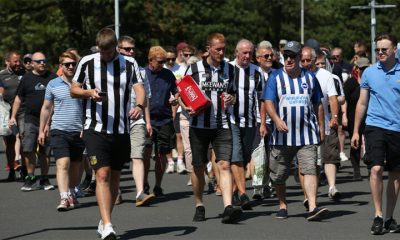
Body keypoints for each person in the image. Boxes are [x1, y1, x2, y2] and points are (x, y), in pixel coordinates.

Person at [70, 28, 145, 240]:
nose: (106, 55)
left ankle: (104, 220)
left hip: (121, 129)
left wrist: (139, 105)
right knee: (101, 174)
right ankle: (109, 226)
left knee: (114, 177)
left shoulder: (130, 64)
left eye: (109, 52)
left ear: (116, 48)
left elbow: (139, 88)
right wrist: (89, 92)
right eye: (102, 52)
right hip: (95, 128)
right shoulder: (87, 62)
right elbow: (73, 89)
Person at [262, 41, 329, 221]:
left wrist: (322, 128)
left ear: (300, 58)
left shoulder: (309, 77)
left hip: (307, 134)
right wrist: (276, 120)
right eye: (286, 57)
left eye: (293, 56)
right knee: (278, 175)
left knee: (309, 170)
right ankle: (283, 204)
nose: (289, 60)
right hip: (282, 137)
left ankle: (312, 206)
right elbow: (268, 102)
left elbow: (318, 104)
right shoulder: (275, 77)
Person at [182, 32, 242, 224]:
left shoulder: (231, 70)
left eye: (224, 49)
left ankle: (227, 207)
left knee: (224, 164)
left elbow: (233, 95)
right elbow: (181, 94)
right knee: (198, 166)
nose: (221, 52)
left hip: (222, 124)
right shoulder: (193, 69)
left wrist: (232, 99)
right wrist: (187, 108)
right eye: (218, 49)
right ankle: (199, 204)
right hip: (198, 125)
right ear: (208, 49)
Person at [351, 33, 400, 235]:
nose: (380, 52)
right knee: (376, 169)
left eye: (384, 49)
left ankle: (389, 217)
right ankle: (378, 215)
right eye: (377, 49)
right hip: (375, 125)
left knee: (396, 175)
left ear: (394, 50)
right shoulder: (370, 72)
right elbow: (362, 103)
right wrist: (355, 131)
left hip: (397, 128)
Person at [38, 51, 85, 211]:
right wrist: (41, 130)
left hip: (80, 131)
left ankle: (72, 191)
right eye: (67, 64)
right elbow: (46, 108)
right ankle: (64, 197)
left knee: (76, 166)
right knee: (62, 164)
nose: (71, 67)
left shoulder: (84, 83)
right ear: (61, 66)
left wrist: (87, 127)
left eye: (73, 64)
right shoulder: (53, 84)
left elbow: (91, 108)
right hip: (59, 129)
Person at [10, 52, 57, 192]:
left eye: (44, 60)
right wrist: (13, 116)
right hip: (30, 119)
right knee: (28, 148)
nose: (42, 63)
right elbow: (18, 98)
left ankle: (44, 178)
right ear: (33, 63)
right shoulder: (26, 78)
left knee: (44, 150)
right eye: (39, 61)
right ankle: (30, 177)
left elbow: (55, 101)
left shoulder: (53, 78)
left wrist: (48, 122)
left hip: (48, 119)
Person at [117, 35, 155, 206]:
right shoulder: (110, 69)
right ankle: (115, 190)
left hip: (137, 120)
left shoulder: (141, 71)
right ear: (118, 49)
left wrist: (147, 121)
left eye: (133, 48)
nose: (131, 51)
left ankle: (140, 192)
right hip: (116, 120)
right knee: (115, 159)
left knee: (137, 155)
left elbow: (145, 98)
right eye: (127, 49)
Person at [301, 47, 340, 200]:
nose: (305, 64)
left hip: (324, 123)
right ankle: (310, 195)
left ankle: (332, 186)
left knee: (329, 156)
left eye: (308, 61)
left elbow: (332, 98)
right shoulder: (297, 75)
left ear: (314, 61)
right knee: (311, 162)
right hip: (304, 126)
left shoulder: (325, 76)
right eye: (302, 61)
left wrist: (334, 117)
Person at [229, 39, 262, 210]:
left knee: (245, 157)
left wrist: (262, 122)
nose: (247, 56)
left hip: (250, 121)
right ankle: (243, 194)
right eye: (244, 53)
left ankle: (234, 190)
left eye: (250, 53)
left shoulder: (257, 72)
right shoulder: (227, 69)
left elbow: (262, 100)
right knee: (236, 156)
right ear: (236, 53)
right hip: (231, 121)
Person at [146, 46, 179, 196]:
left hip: (165, 119)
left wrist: (175, 101)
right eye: (160, 61)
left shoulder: (168, 74)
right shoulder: (142, 74)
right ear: (150, 60)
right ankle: (144, 183)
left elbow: (177, 92)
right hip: (146, 120)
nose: (163, 64)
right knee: (145, 154)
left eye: (164, 61)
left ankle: (158, 185)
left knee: (162, 154)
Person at [0, 51, 25, 181]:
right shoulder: (2, 75)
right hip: (7, 113)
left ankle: (24, 169)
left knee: (23, 138)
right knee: (10, 143)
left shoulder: (25, 73)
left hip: (23, 112)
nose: (18, 63)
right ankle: (11, 170)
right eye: (15, 61)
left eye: (19, 61)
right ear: (7, 62)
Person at [344, 57, 369, 181]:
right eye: (361, 68)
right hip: (353, 117)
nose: (363, 70)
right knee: (355, 144)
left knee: (370, 143)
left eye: (366, 68)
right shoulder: (350, 83)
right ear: (356, 68)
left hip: (369, 117)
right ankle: (356, 170)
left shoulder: (371, 81)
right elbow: (344, 101)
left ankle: (371, 168)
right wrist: (344, 116)